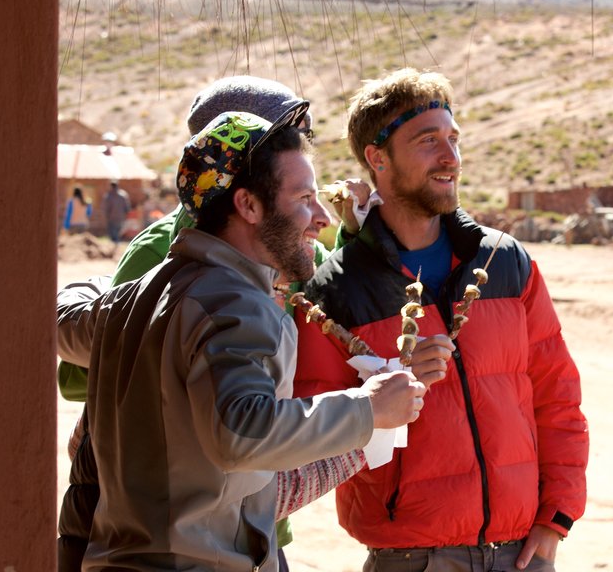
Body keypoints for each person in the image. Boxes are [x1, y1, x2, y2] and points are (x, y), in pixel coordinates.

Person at [56, 105, 431, 570]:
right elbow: (241, 433)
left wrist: (96, 286)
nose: (320, 217)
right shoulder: (236, 304)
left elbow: (61, 316)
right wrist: (367, 409)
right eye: (304, 199)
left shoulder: (139, 297)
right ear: (249, 205)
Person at [300, 68, 589, 571]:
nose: (450, 157)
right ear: (377, 157)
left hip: (523, 553)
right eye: (428, 140)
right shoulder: (334, 292)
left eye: (453, 139)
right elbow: (308, 438)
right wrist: (389, 380)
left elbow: (557, 394)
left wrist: (556, 514)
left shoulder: (504, 262)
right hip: (410, 558)